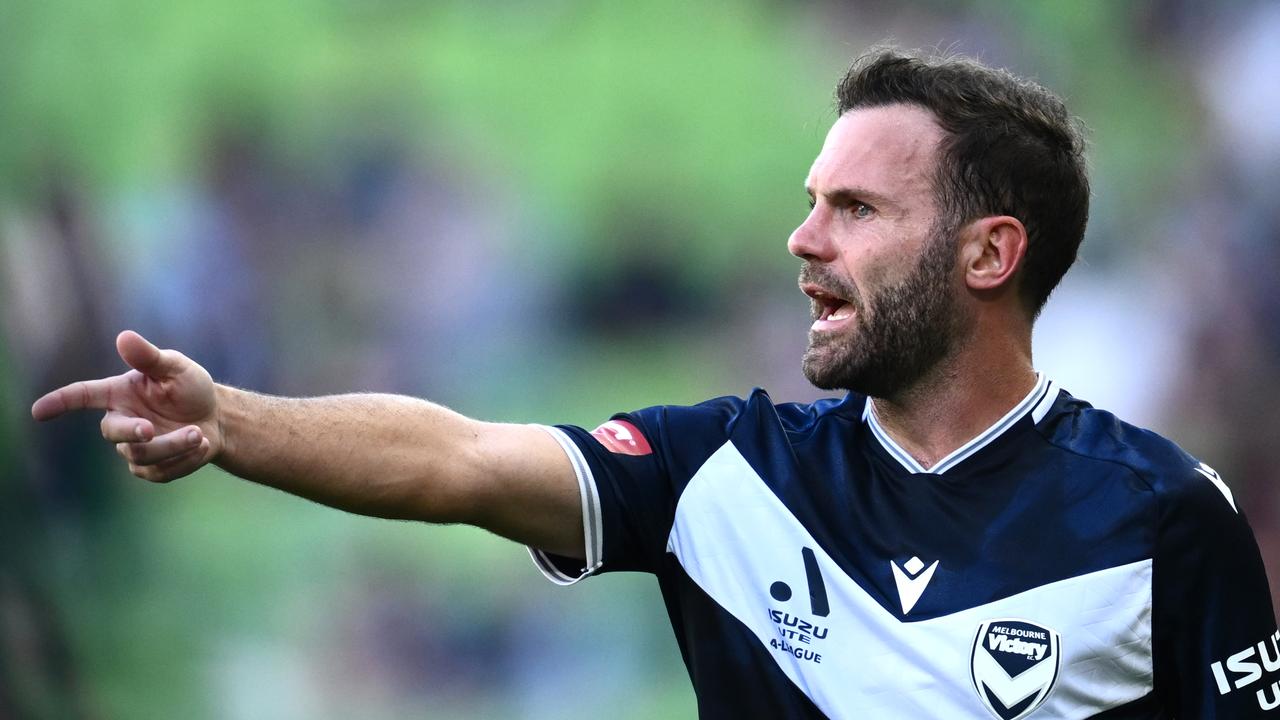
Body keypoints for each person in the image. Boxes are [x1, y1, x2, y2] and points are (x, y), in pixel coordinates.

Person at [30, 48, 1279, 719]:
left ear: (988, 254)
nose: (802, 239)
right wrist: (232, 421)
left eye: (854, 209)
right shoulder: (725, 474)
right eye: (809, 203)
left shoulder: (1164, 519)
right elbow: (458, 461)